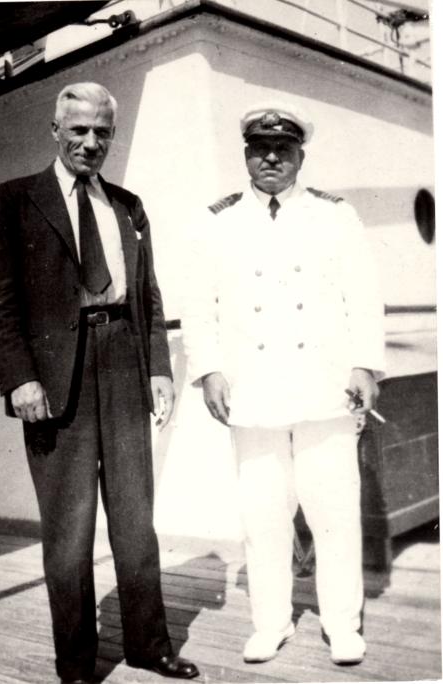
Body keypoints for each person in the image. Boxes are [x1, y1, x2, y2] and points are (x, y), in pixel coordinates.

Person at [0, 82, 199, 684]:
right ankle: (76, 664)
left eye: (102, 131)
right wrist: (20, 379)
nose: (90, 142)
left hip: (123, 364)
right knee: (68, 531)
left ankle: (149, 646)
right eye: (78, 129)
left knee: (135, 521)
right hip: (55, 380)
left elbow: (148, 295)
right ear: (55, 130)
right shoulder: (17, 199)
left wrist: (158, 367)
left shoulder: (128, 206)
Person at [182, 101, 385, 666]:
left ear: (301, 156)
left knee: (334, 511)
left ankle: (342, 624)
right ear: (246, 155)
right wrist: (208, 370)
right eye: (260, 149)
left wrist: (365, 365)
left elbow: (364, 295)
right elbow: (198, 305)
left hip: (325, 386)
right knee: (263, 513)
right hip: (251, 389)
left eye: (283, 149)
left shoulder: (335, 215)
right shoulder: (217, 221)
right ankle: (271, 623)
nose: (271, 158)